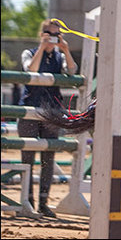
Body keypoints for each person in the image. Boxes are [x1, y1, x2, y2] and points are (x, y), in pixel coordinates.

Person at [17, 19, 77, 217]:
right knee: (27, 157)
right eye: (48, 33)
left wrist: (65, 49)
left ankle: (43, 202)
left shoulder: (60, 55)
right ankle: (28, 201)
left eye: (55, 34)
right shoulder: (29, 52)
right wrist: (42, 47)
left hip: (51, 111)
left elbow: (72, 71)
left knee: (48, 158)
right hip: (30, 109)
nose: (51, 37)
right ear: (41, 33)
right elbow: (31, 70)